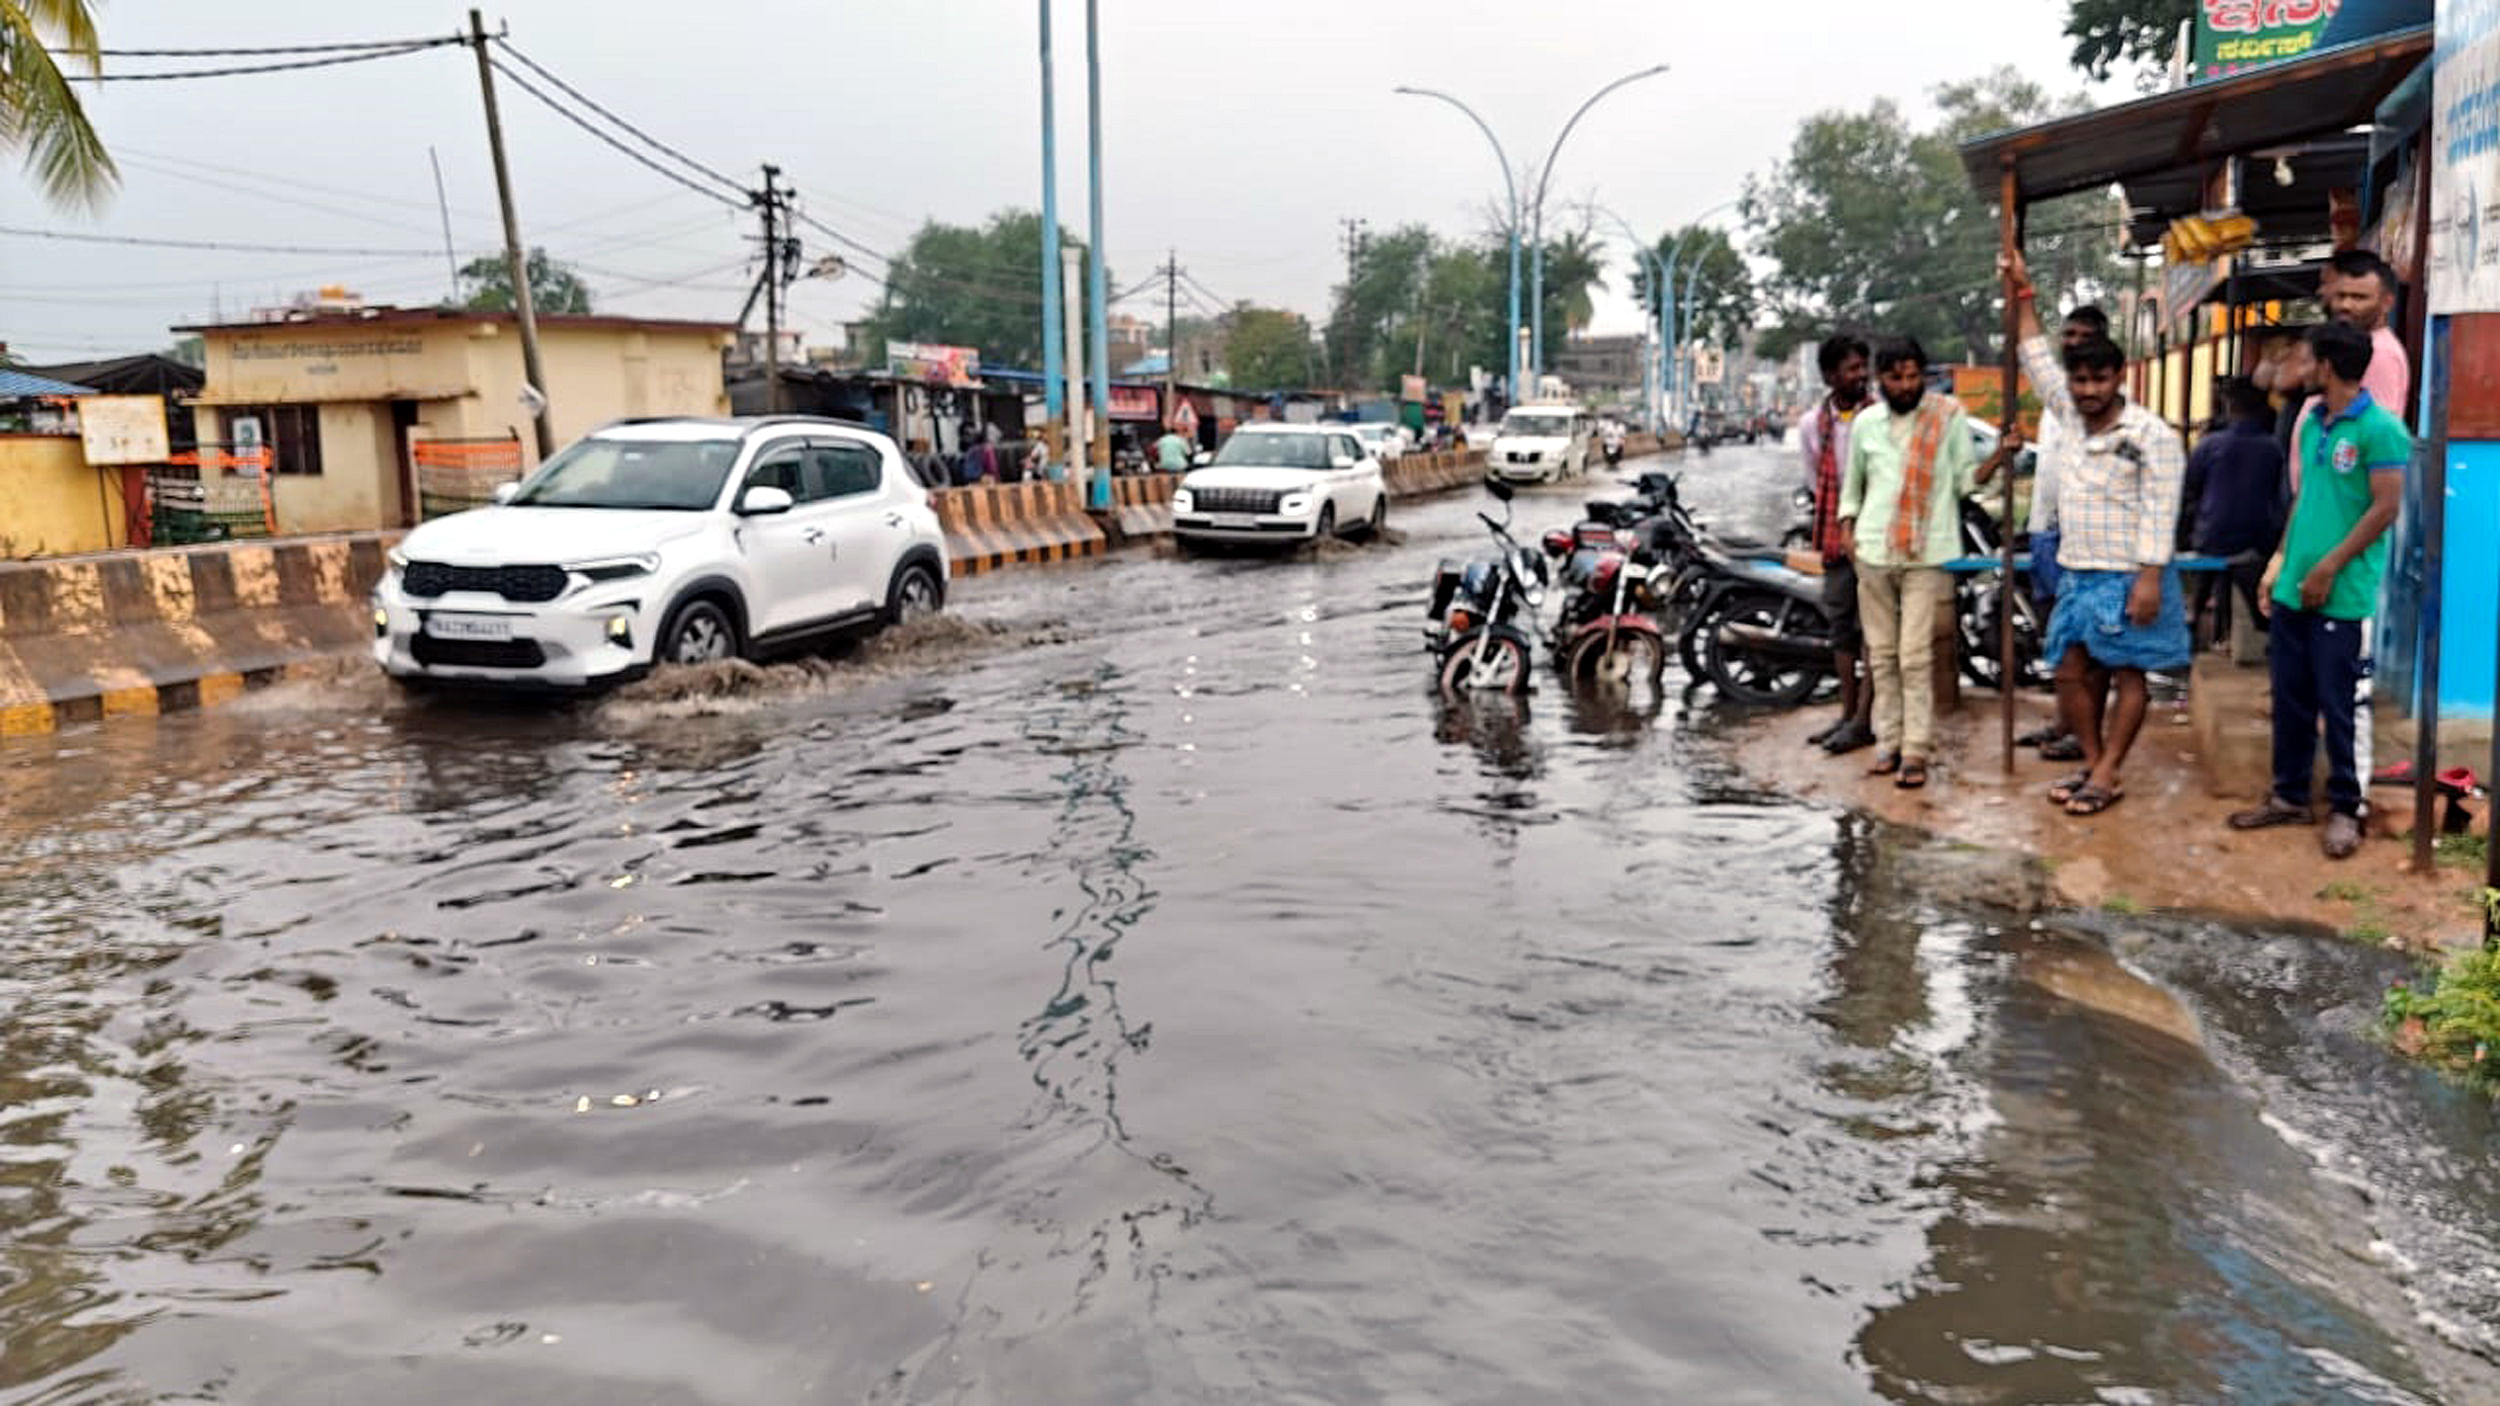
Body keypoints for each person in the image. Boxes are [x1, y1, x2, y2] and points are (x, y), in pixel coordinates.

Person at [2009, 250, 2190, 818]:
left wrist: (2150, 579)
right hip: (2076, 571)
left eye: (2098, 379)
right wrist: (2022, 291)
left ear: (2120, 378)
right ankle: (2095, 760)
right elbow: (2033, 354)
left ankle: (2108, 771)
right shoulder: (2065, 412)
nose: (2087, 389)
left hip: (2129, 574)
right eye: (2080, 379)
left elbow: (2163, 510)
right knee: (2068, 671)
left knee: (2128, 672)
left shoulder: (2150, 434)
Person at [2229, 322, 2409, 860]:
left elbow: (2385, 509)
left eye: (2306, 360)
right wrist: (2280, 564)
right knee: (2290, 697)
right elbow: (2306, 502)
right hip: (2295, 587)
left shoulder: (2381, 430)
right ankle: (2288, 795)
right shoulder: (2312, 424)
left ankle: (2345, 808)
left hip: (2343, 593)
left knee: (2342, 703)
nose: (2298, 370)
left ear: (2326, 366)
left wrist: (2329, 567)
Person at [1836, 335, 1999, 790]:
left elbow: (1966, 482)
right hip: (1872, 549)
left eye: (1913, 376)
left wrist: (2002, 456)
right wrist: (1848, 531)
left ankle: (1916, 750)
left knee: (1914, 656)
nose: (1906, 385)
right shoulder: (1866, 423)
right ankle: (1887, 743)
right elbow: (1853, 488)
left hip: (1928, 551)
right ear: (1880, 379)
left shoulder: (1948, 418)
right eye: (1896, 377)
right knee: (1882, 656)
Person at [2017, 303, 2114, 765]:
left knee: (2088, 645)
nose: (2072, 341)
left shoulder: (2105, 404)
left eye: (2083, 334)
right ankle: (2064, 720)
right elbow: (2032, 353)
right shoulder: (2058, 398)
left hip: (2086, 541)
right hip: (2045, 530)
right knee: (2056, 638)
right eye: (2068, 334)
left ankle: (2086, 732)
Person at [1801, 333, 1877, 755]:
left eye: (1862, 367)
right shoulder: (1813, 424)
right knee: (1841, 629)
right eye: (1851, 369)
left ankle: (1863, 720)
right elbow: (1815, 481)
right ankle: (1847, 714)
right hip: (1835, 538)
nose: (1860, 375)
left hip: (1876, 538)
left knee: (1875, 632)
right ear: (1831, 376)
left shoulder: (1880, 416)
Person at [2180, 376, 2288, 646]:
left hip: (2211, 538)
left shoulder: (2210, 445)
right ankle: (2240, 629)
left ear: (2229, 407)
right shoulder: (2273, 448)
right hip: (2256, 543)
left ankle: (2195, 613)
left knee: (2209, 538)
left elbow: (2189, 488)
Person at [2292, 252, 2411, 486]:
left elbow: (2373, 438)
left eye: (2359, 298)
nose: (2346, 306)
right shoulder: (2352, 345)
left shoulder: (2379, 353)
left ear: (2387, 302)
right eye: (2341, 296)